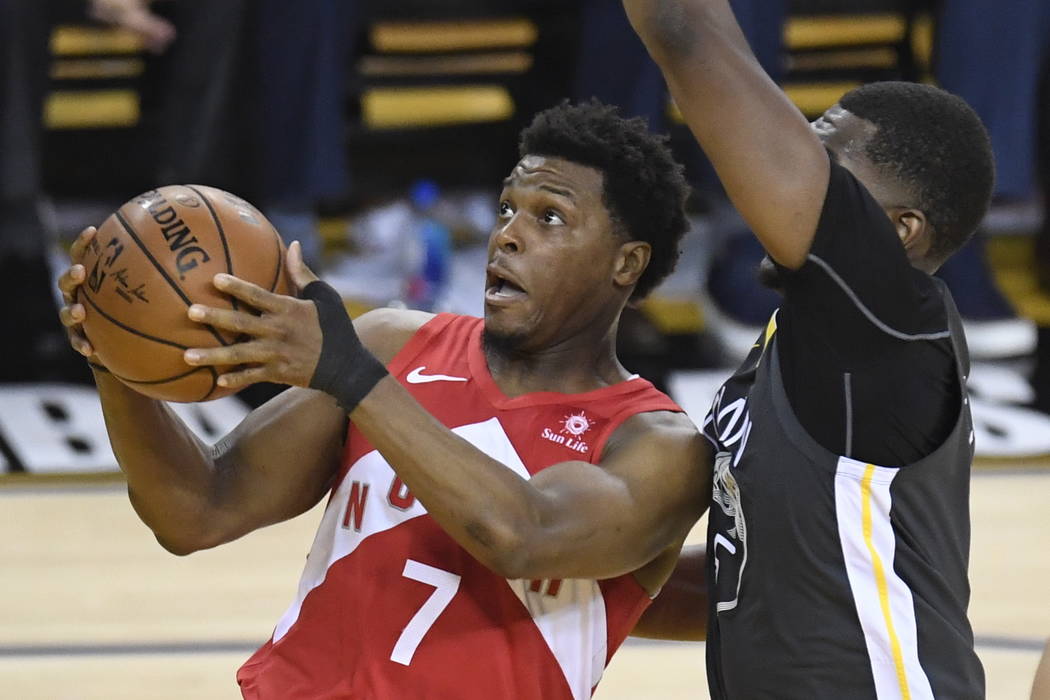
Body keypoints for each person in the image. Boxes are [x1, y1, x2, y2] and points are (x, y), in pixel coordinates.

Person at [58, 101, 710, 698]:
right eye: (507, 208)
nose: (508, 235)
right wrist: (117, 360)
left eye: (550, 217)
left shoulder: (656, 447)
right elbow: (197, 512)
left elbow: (523, 534)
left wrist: (349, 374)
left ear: (626, 264)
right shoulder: (395, 344)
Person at [622, 0, 993, 697]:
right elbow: (757, 583)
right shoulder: (805, 346)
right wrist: (542, 558)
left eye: (825, 163)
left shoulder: (885, 325)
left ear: (900, 230)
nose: (784, 174)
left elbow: (688, 32)